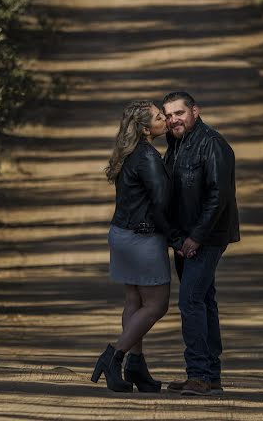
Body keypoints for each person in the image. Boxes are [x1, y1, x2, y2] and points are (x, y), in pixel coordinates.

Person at [91, 100, 182, 392]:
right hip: (142, 239)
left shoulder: (130, 153)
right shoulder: (148, 157)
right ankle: (113, 355)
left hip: (122, 235)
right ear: (145, 128)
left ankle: (135, 364)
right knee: (156, 305)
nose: (166, 119)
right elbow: (160, 204)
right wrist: (174, 237)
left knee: (135, 302)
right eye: (159, 117)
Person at [162, 91, 239, 397]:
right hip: (186, 239)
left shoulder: (212, 143)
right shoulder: (177, 144)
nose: (173, 120)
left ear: (195, 111)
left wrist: (196, 236)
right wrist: (179, 238)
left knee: (190, 300)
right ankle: (210, 375)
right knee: (204, 300)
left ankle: (198, 375)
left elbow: (218, 196)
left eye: (179, 113)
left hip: (207, 237)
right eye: (168, 116)